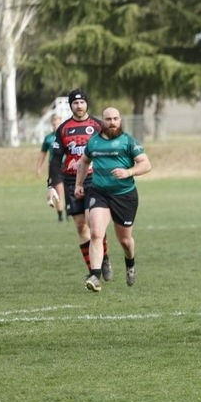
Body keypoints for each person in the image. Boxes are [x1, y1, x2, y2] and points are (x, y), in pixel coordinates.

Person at [74, 107, 152, 292]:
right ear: (102, 121)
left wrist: (128, 172)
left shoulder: (128, 141)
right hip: (99, 193)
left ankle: (130, 264)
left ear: (120, 120)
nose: (112, 122)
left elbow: (146, 164)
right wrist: (79, 184)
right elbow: (84, 161)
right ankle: (95, 275)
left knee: (125, 240)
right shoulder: (93, 142)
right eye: (108, 119)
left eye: (116, 118)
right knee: (96, 233)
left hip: (124, 195)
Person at [50, 89, 113, 284]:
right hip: (71, 181)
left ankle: (103, 263)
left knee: (94, 224)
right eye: (75, 103)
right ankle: (93, 269)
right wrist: (51, 184)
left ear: (87, 104)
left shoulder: (97, 126)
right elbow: (55, 160)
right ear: (71, 106)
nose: (79, 106)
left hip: (95, 179)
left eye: (82, 102)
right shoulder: (63, 129)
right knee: (80, 226)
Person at [36, 113, 66, 222]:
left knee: (70, 190)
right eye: (54, 124)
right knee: (58, 190)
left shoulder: (66, 135)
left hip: (67, 165)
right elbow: (42, 154)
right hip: (54, 167)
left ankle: (69, 210)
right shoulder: (48, 138)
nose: (56, 126)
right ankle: (60, 215)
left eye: (58, 123)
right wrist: (38, 167)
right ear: (51, 124)